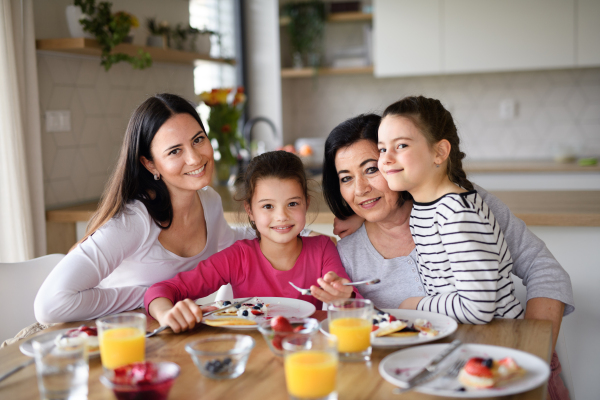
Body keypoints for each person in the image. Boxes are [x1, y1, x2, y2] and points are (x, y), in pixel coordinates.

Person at [323, 112, 573, 400]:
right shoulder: (345, 253)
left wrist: (529, 353)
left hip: (503, 372)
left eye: (370, 169)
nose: (360, 189)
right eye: (345, 178)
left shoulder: (462, 203)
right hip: (418, 387)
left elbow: (546, 271)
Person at [34, 94, 258, 323]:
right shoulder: (134, 220)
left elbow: (232, 244)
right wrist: (155, 295)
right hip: (112, 340)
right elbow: (50, 304)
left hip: (163, 339)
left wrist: (282, 224)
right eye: (174, 151)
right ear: (150, 164)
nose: (194, 158)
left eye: (198, 139)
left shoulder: (209, 201)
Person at [145, 151, 355, 332]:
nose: (281, 216)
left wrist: (344, 298)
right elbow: (159, 291)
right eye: (267, 206)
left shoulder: (323, 249)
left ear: (306, 204)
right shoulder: (238, 257)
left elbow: (354, 300)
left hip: (302, 351)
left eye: (292, 203)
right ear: (250, 210)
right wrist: (165, 314)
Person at [377, 96, 524, 323]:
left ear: (439, 152)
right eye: (382, 148)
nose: (386, 158)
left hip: (499, 338)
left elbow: (478, 308)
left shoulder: (456, 214)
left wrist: (415, 305)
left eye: (401, 145)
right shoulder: (425, 208)